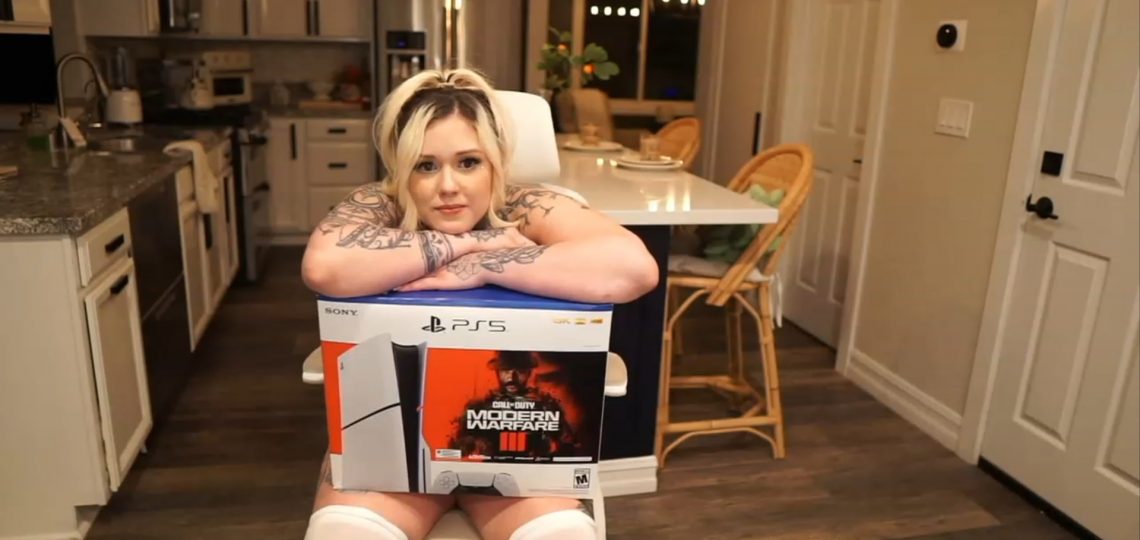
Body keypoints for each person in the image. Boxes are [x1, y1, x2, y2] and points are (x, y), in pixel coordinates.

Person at [299, 67, 659, 540]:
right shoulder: (379, 203)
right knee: (344, 533)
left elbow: (634, 268)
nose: (448, 186)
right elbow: (324, 267)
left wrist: (487, 265)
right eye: (426, 166)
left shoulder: (525, 204)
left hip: (513, 451)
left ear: (496, 163)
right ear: (401, 171)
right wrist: (468, 243)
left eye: (468, 162)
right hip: (395, 448)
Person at [448, 351, 581, 459]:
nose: (511, 378)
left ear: (529, 372)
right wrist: (474, 444)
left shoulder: (546, 405)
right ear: (497, 372)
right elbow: (455, 449)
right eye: (506, 371)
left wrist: (551, 447)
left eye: (520, 371)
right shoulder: (480, 406)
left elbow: (570, 447)